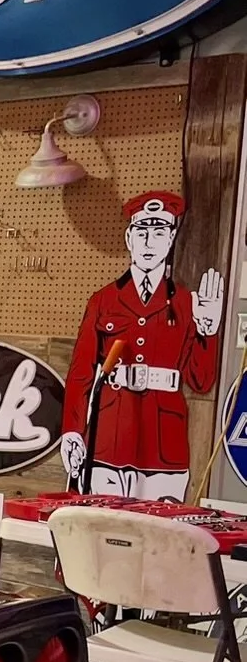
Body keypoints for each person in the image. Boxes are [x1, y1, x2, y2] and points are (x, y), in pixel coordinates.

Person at [59, 191, 221, 502]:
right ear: (129, 238)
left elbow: (201, 381)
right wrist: (72, 431)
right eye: (142, 232)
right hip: (109, 440)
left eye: (159, 233)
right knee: (101, 533)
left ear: (171, 239)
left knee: (157, 542)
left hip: (163, 449)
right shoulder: (103, 300)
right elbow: (81, 371)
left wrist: (208, 330)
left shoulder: (187, 302)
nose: (149, 243)